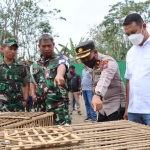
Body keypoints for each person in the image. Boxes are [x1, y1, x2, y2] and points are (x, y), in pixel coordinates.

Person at [75, 40, 125, 122]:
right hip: (102, 106)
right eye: (82, 59)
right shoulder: (90, 65)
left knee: (115, 133)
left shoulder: (108, 62)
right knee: (102, 131)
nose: (85, 60)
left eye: (87, 57)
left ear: (95, 52)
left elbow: (104, 78)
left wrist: (97, 94)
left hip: (115, 105)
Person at [30, 34, 71, 125]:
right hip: (41, 107)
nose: (47, 48)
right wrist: (33, 94)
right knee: (43, 133)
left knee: (61, 133)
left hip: (58, 106)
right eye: (44, 46)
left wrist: (59, 75)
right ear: (39, 46)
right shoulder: (35, 64)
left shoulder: (61, 59)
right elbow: (32, 80)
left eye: (49, 46)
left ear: (54, 45)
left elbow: (62, 65)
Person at [123, 13, 150, 125]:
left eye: (133, 32)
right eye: (128, 34)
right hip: (133, 111)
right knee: (136, 142)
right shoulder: (130, 53)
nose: (131, 36)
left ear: (143, 26)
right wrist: (127, 108)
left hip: (148, 110)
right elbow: (129, 81)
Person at [0, 38, 29, 112]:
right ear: (2, 49)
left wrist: (25, 100)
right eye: (10, 48)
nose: (13, 51)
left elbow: (25, 85)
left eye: (15, 49)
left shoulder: (21, 67)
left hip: (18, 107)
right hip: (1, 107)